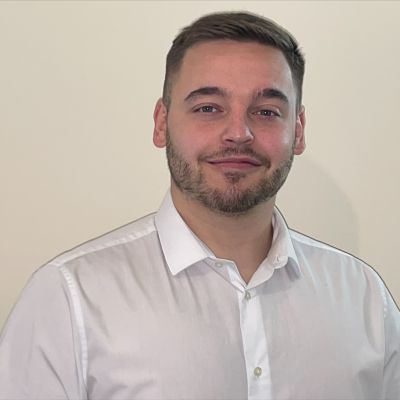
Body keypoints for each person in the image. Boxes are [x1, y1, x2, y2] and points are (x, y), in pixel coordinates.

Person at [0, 11, 399, 400]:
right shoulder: (69, 298)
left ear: (297, 131)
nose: (238, 133)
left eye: (266, 112)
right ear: (162, 122)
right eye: (208, 108)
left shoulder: (364, 297)